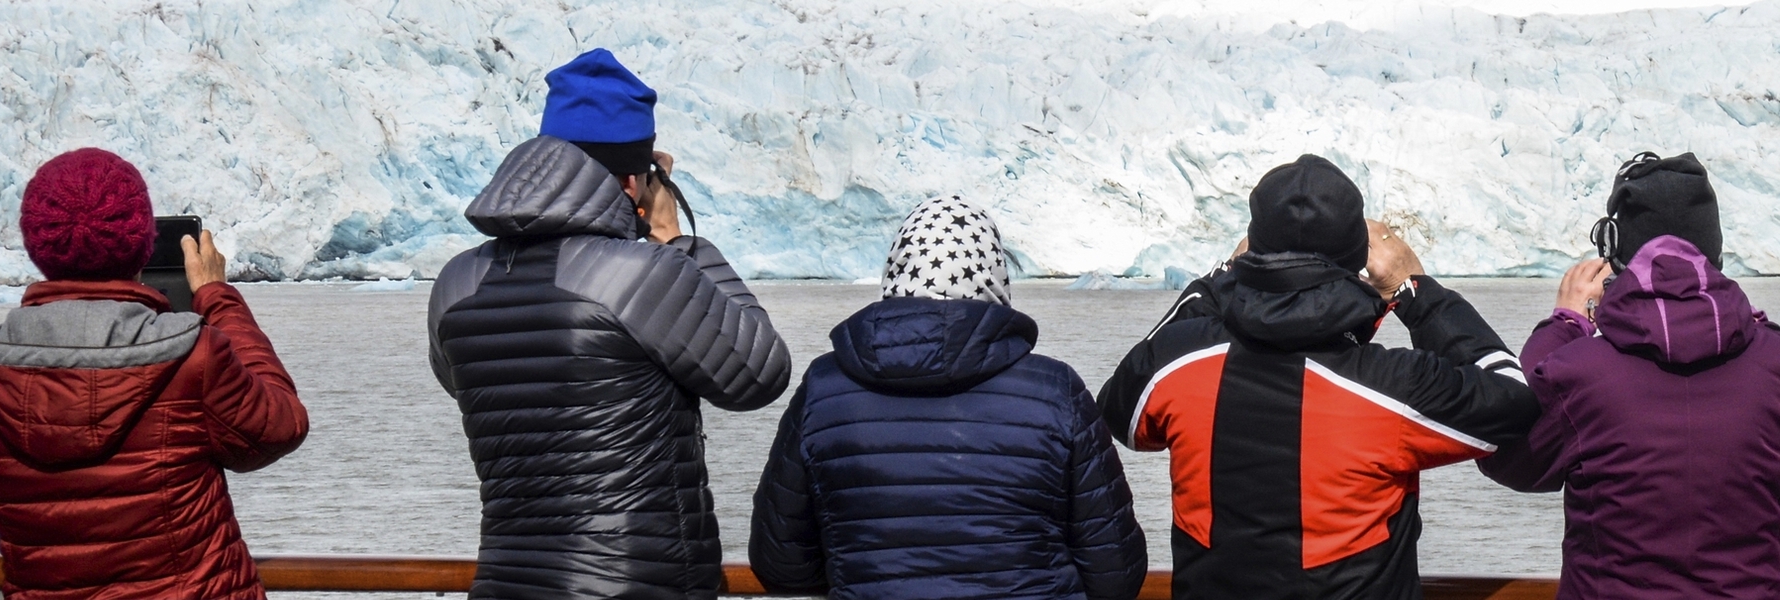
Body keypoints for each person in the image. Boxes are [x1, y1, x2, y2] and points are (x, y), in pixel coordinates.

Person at [427, 48, 792, 600]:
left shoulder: (456, 283)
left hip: (504, 583)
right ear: (630, 184)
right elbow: (759, 373)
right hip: (638, 585)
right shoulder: (642, 275)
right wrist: (678, 245)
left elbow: (471, 386)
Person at [1097, 154, 1540, 599]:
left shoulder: (1181, 363)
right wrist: (1415, 291)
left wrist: (1219, 281)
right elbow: (1513, 400)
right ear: (1356, 260)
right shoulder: (1391, 387)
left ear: (1252, 248)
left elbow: (1121, 410)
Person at [1478, 152, 1780, 599]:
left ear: (1615, 255)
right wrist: (1758, 330)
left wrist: (1563, 323)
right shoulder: (1779, 366)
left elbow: (1508, 454)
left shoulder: (1578, 374)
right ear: (1713, 250)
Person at [749, 196, 1148, 599]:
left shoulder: (823, 389)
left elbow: (780, 563)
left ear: (894, 270)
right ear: (994, 275)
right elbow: (1115, 571)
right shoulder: (1056, 391)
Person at [0, 148, 309, 599]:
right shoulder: (192, 357)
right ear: (142, 244)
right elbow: (279, 426)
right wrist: (218, 298)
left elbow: (0, 481)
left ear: (37, 245)